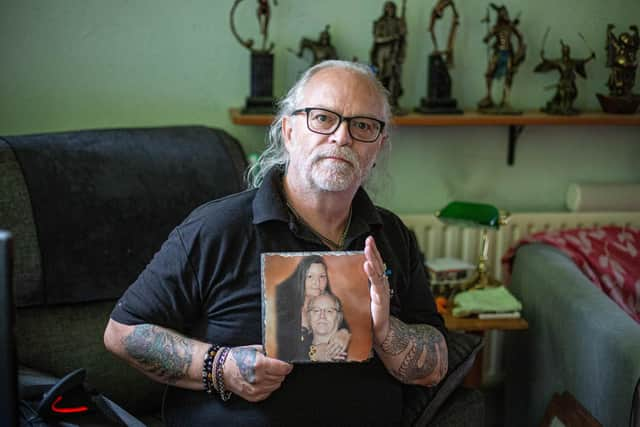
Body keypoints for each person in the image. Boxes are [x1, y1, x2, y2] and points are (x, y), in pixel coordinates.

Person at [103, 59, 448, 426]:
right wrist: (221, 368)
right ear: (288, 131)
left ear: (378, 147)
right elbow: (122, 332)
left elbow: (435, 363)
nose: (342, 137)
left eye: (362, 125)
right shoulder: (219, 227)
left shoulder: (391, 235)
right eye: (323, 118)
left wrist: (385, 331)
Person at [274, 254, 350, 361]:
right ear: (300, 278)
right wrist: (313, 352)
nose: (317, 283)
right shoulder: (283, 305)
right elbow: (282, 352)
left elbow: (344, 324)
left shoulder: (328, 301)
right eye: (310, 276)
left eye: (322, 277)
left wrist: (344, 334)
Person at [477, 3, 526, 111]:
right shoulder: (496, 28)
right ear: (500, 15)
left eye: (506, 13)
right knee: (489, 73)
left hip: (508, 53)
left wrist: (520, 50)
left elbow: (520, 37)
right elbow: (486, 39)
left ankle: (506, 100)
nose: (505, 15)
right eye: (503, 13)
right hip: (498, 53)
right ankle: (488, 96)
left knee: (509, 76)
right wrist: (488, 34)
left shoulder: (511, 26)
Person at [534, 40, 595, 115]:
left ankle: (567, 108)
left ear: (569, 51)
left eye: (567, 50)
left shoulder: (572, 61)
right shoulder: (559, 61)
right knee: (564, 94)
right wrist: (542, 56)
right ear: (562, 51)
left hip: (571, 82)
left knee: (573, 93)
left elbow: (582, 61)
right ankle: (563, 108)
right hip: (563, 83)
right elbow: (549, 61)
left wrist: (591, 57)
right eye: (564, 50)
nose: (566, 52)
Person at [370, 1, 407, 111]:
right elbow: (377, 39)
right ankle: (381, 103)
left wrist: (402, 32)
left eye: (393, 8)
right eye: (389, 8)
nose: (391, 10)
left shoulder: (398, 22)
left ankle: (393, 102)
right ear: (385, 9)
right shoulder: (380, 23)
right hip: (382, 54)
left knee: (395, 77)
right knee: (382, 78)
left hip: (394, 54)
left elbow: (402, 40)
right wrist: (393, 37)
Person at [304, 293, 350, 362]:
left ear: (339, 317)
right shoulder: (296, 347)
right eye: (316, 310)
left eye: (329, 311)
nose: (322, 316)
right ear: (309, 317)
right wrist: (314, 353)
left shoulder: (353, 350)